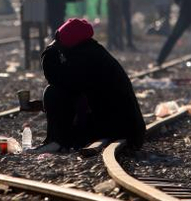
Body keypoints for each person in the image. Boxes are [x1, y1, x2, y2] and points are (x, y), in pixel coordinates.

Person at [37, 18, 145, 153]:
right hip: (125, 126)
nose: (57, 44)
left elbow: (58, 81)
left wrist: (49, 53)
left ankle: (57, 141)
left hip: (118, 128)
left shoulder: (86, 58)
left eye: (59, 40)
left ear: (70, 41)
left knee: (53, 93)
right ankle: (58, 140)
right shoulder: (93, 52)